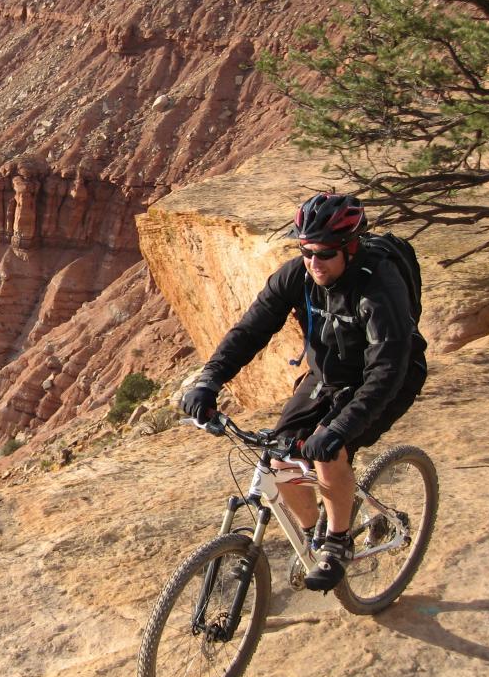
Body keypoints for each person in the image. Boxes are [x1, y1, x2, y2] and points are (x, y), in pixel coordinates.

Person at [181, 193, 427, 591]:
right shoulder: (297, 276)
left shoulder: (378, 286)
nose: (314, 262)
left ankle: (338, 544)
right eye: (307, 251)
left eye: (326, 254)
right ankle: (317, 532)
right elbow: (250, 331)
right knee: (281, 456)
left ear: (350, 247)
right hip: (327, 375)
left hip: (388, 377)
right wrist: (210, 379)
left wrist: (339, 429)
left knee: (330, 449)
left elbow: (387, 366)